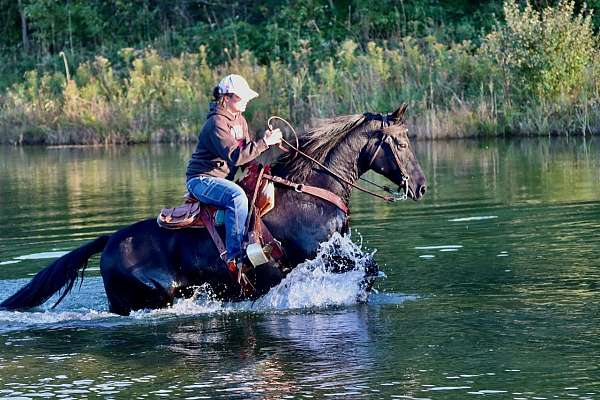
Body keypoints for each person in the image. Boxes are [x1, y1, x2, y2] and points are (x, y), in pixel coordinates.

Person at [185, 74, 282, 289]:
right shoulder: (216, 123)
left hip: (221, 180)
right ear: (226, 98)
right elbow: (236, 157)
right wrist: (265, 142)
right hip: (202, 180)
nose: (246, 101)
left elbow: (248, 156)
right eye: (241, 97)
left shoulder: (239, 120)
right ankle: (236, 258)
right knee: (237, 196)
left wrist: (262, 170)